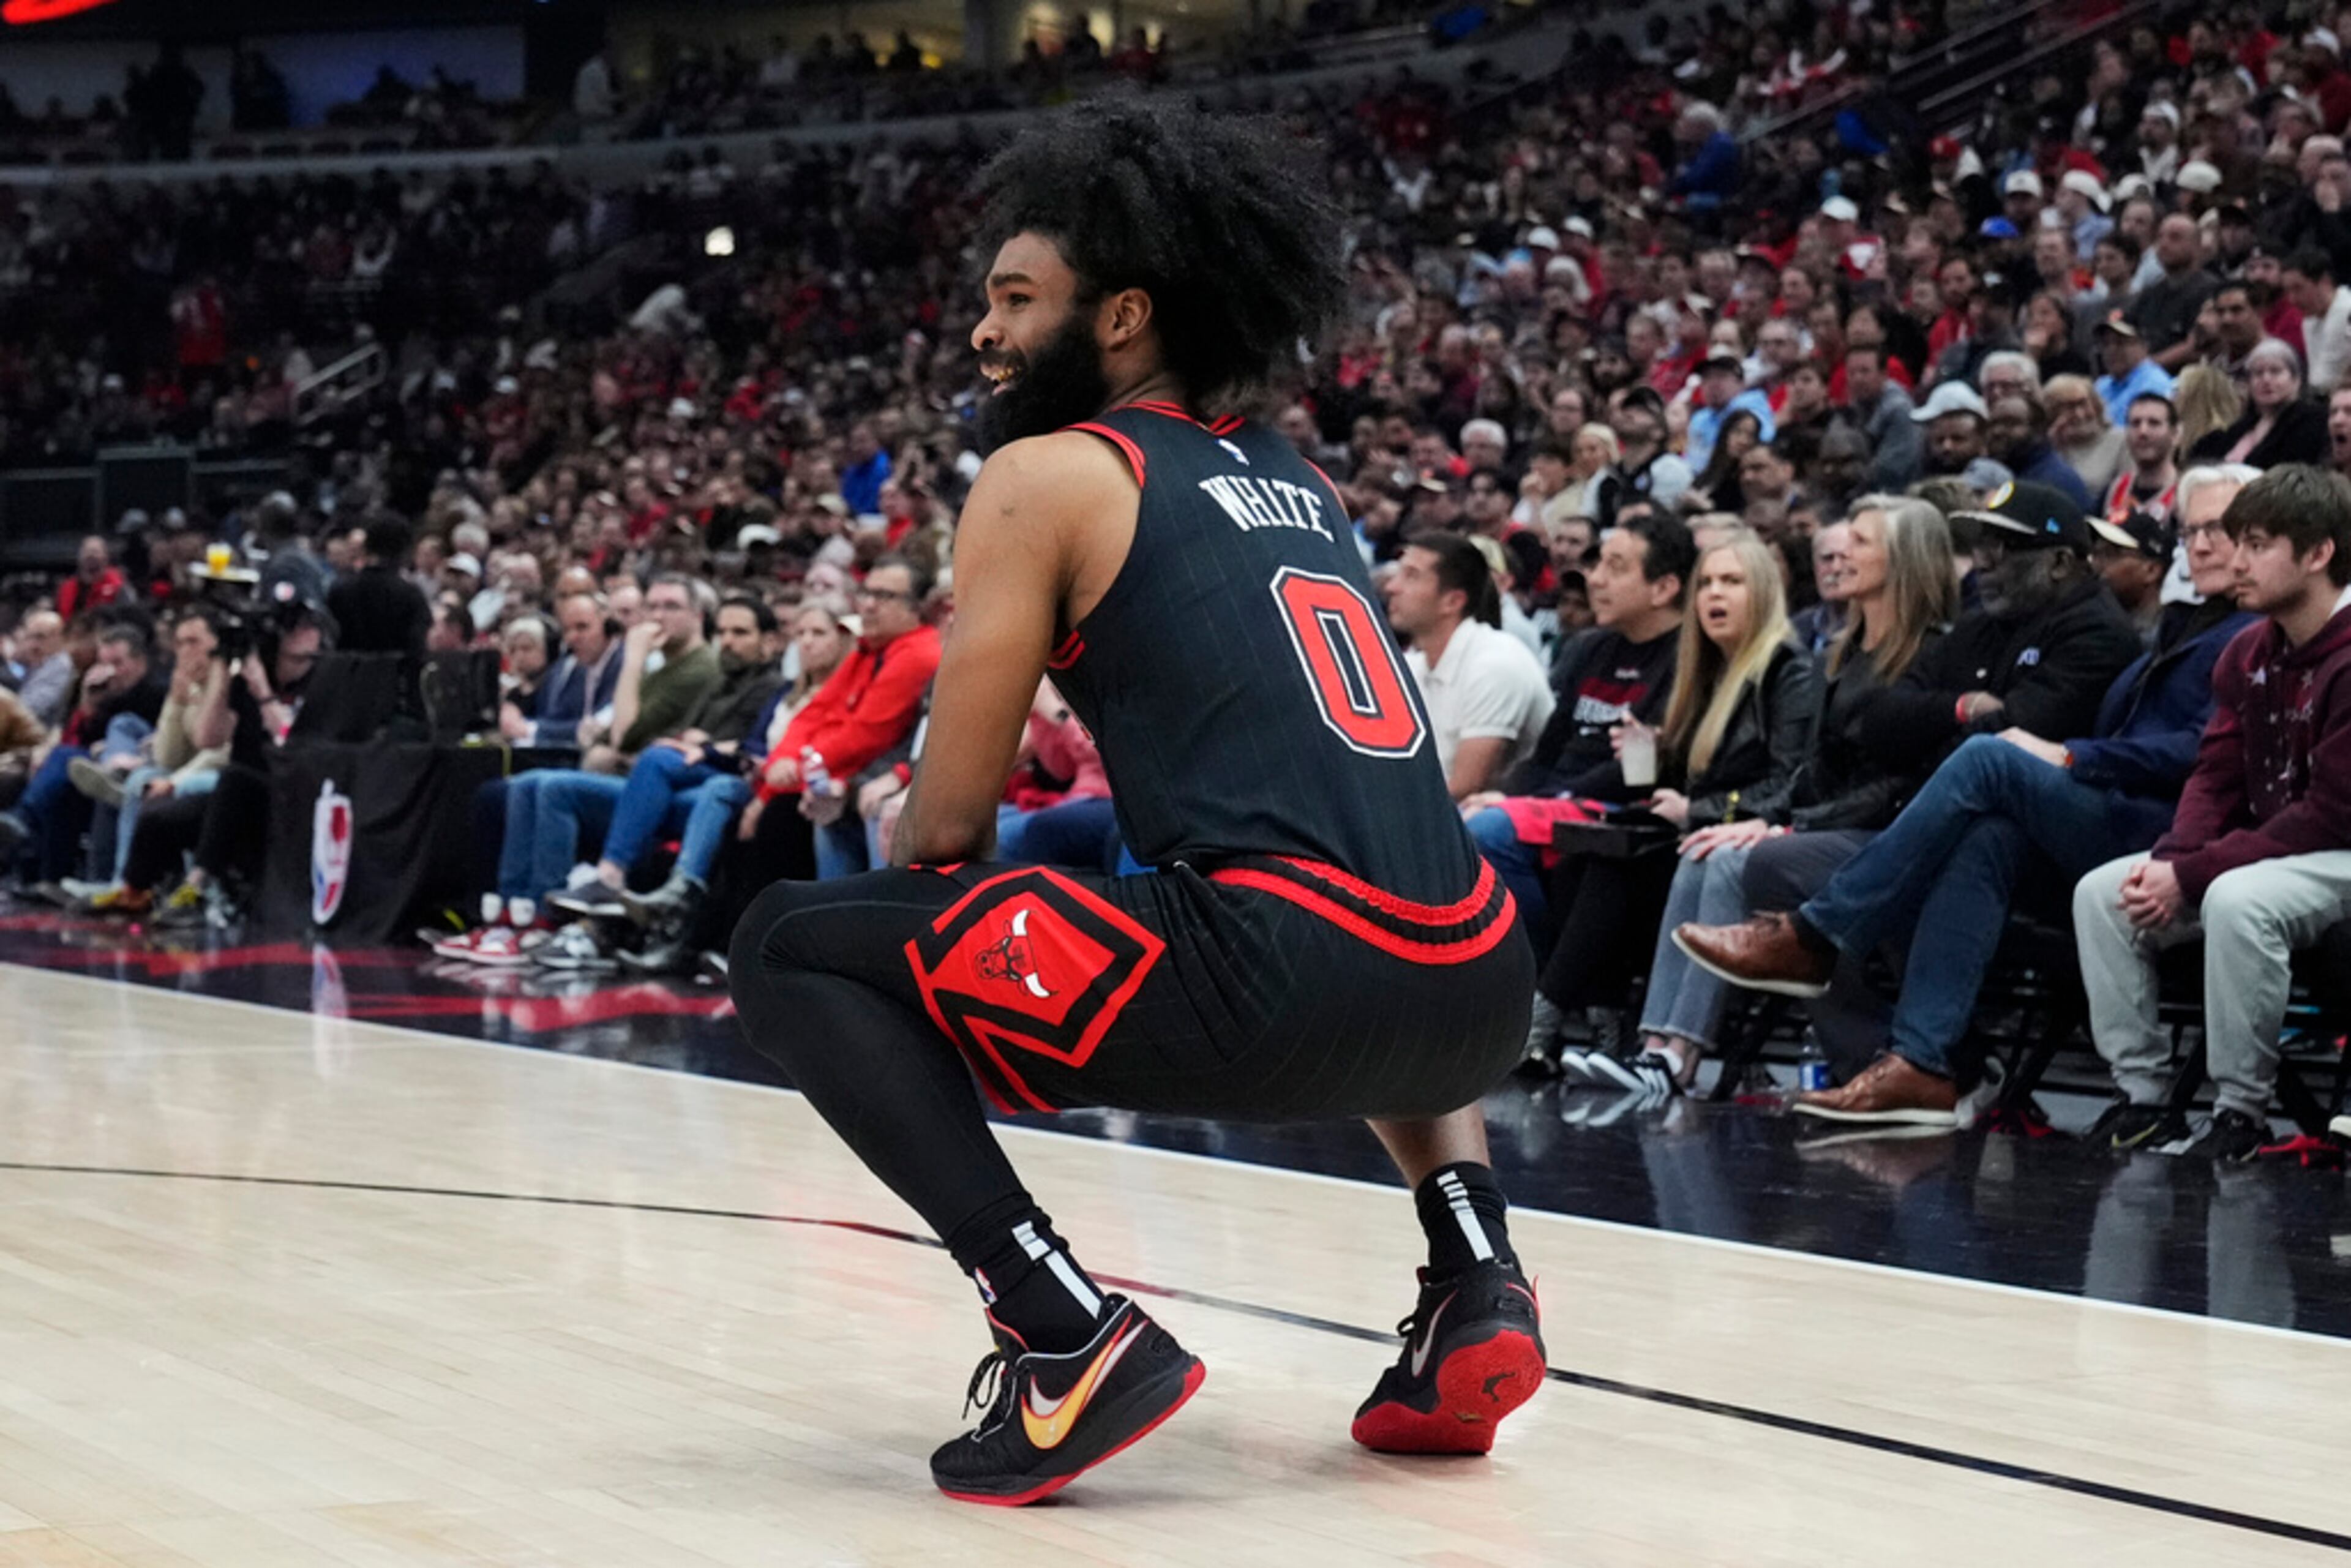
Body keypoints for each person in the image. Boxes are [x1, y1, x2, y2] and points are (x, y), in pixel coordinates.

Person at [730, 100, 1546, 1504]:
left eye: (1012, 299)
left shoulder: (1044, 475)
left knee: (796, 942)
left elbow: (941, 831)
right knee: (1375, 888)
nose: (981, 332)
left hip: (1275, 984)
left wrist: (934, 960)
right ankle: (1476, 1268)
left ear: (1118, 317)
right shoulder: (1300, 479)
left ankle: (1059, 1326)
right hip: (1477, 988)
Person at [1672, 468, 2256, 1123]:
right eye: (2191, 529)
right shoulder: (2184, 623)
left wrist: (2073, 753)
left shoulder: (2167, 632)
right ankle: (1924, 1063)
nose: (1988, 563)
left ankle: (1816, 934)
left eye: (2219, 530)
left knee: (1989, 759)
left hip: (2152, 830)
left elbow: (2197, 751)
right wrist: (1960, 709)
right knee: (1983, 833)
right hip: (2069, 814)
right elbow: (1872, 721)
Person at [1615, 496, 1955, 1092]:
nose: (1840, 553)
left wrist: (1789, 825)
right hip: (1832, 826)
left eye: (1861, 542)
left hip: (1899, 833)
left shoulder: (1936, 653)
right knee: (1714, 849)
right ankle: (1658, 1045)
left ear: (1904, 559)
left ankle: (1683, 1054)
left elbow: (1904, 784)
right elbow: (1808, 772)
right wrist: (1768, 819)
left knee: (1744, 860)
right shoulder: (1839, 653)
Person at [2072, 465, 2351, 1160]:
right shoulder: (2248, 650)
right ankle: (2142, 1100)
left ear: (2319, 554)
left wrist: (2194, 875)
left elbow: (2328, 815)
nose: (2237, 558)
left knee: (2234, 898)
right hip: (2279, 849)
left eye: (2258, 543)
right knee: (2105, 893)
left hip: (2340, 845)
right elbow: (2216, 773)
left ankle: (2240, 1111)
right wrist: (2171, 861)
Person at [1526, 529, 1817, 1079]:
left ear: (1764, 591)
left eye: (1732, 582)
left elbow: (1791, 782)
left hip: (1743, 839)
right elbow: (1671, 779)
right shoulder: (1707, 674)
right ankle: (1611, 1032)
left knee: (1617, 866)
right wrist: (1646, 756)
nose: (1715, 595)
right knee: (1581, 856)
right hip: (1696, 832)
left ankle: (1551, 1022)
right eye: (1707, 582)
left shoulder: (1786, 670)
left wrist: (1695, 812)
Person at [1460, 509, 1692, 940]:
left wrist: (1538, 799)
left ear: (1664, 587)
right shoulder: (1589, 647)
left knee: (1486, 832)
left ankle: (1538, 975)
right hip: (1553, 799)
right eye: (1597, 563)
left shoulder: (1687, 660)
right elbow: (1547, 750)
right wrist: (1507, 793)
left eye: (1615, 567)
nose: (1595, 579)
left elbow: (1639, 773)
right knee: (1457, 821)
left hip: (1618, 803)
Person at [1384, 535, 1553, 801]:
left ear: (1452, 601)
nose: (1392, 587)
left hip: (1483, 821)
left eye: (1411, 576)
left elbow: (1466, 787)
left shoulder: (1496, 664)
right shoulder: (1411, 666)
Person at [2188, 338, 2329, 468]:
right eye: (2258, 373)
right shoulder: (2241, 426)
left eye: (2276, 371)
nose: (2266, 380)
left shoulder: (2312, 420)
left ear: (2296, 380)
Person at [325, 514, 433, 662]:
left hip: (348, 679)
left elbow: (330, 641)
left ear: (367, 546)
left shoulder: (341, 589)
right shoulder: (411, 596)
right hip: (393, 681)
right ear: (404, 550)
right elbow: (417, 650)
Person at [2091, 312, 2175, 427]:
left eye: (2120, 343)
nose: (2111, 350)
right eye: (2106, 344)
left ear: (2144, 346)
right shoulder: (2102, 385)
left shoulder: (2154, 384)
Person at [4, 610, 72, 730]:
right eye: (29, 637)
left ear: (59, 638)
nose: (33, 645)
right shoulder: (37, 662)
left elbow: (30, 710)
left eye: (40, 637)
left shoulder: (60, 666)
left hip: (39, 735)